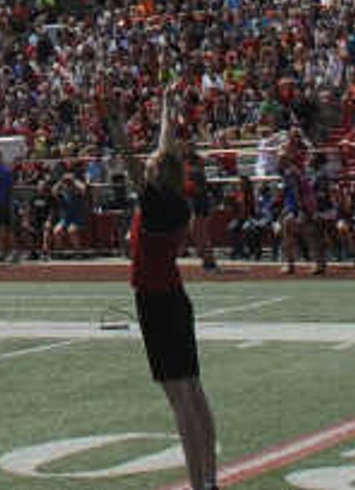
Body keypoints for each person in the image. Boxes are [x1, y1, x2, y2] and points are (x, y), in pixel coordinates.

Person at [128, 102, 221, 490]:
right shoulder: (175, 201)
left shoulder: (152, 203)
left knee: (178, 396)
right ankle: (210, 480)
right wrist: (166, 108)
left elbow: (128, 156)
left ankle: (199, 484)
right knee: (195, 390)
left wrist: (115, 120)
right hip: (176, 297)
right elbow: (162, 151)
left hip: (155, 301)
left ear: (154, 174)